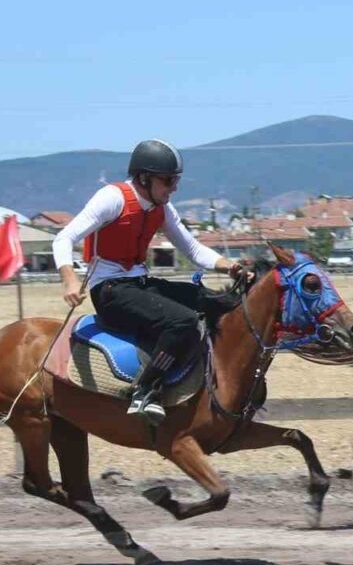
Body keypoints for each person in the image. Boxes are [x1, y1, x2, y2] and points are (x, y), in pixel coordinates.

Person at [53, 139, 246, 423]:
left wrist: (228, 266)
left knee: (214, 300)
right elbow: (63, 239)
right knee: (182, 321)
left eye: (176, 180)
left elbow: (193, 249)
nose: (174, 187)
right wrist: (70, 280)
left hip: (140, 284)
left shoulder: (162, 208)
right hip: (109, 291)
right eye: (168, 180)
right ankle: (145, 391)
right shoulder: (112, 198)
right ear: (144, 178)